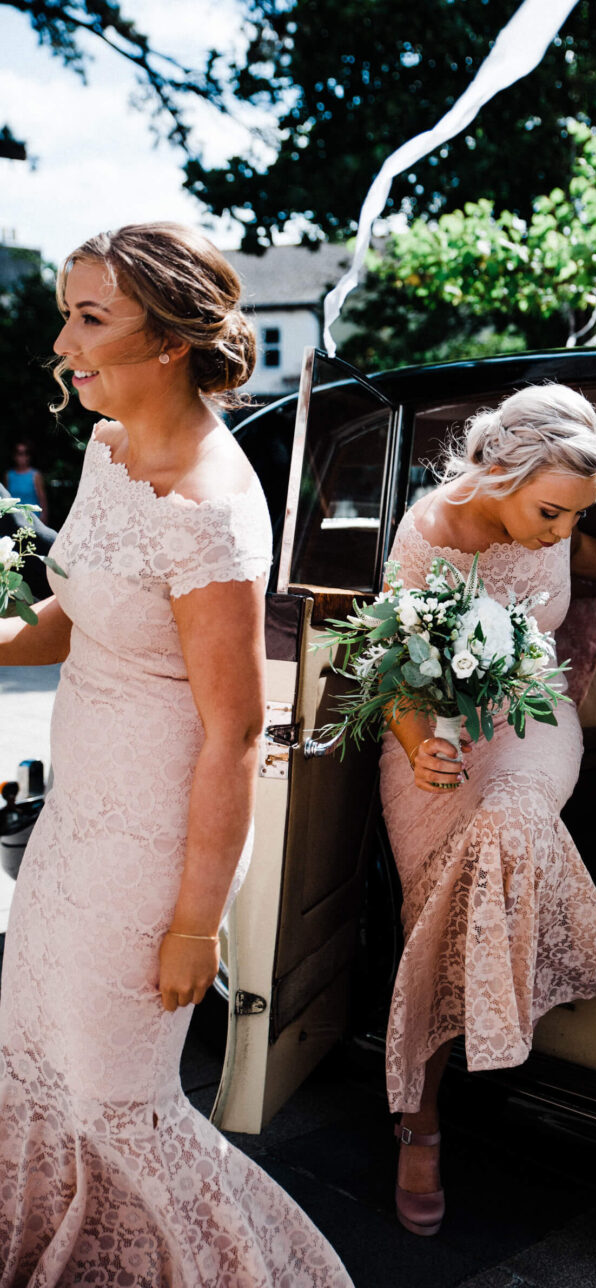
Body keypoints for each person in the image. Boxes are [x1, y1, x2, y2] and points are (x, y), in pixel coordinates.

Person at [0, 223, 352, 1286]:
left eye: (89, 316)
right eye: (67, 309)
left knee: (115, 1094)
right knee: (38, 1063)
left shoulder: (211, 513)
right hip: (74, 822)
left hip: (154, 844)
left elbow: (235, 730)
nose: (62, 339)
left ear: (168, 340)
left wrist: (197, 921)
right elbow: (81, 610)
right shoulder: (109, 448)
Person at [379, 384, 596, 1236]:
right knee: (431, 910)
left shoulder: (558, 521)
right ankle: (419, 1119)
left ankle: (565, 973)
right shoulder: (426, 534)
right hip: (432, 733)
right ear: (497, 471)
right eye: (551, 513)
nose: (561, 533)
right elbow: (392, 662)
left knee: (510, 822)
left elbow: (593, 558)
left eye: (576, 516)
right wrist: (422, 742)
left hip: (533, 715)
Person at [5, 441, 49, 523]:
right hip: (14, 520)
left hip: (33, 520)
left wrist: (43, 519)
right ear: (14, 456)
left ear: (29, 456)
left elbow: (42, 499)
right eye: (19, 453)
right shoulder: (9, 475)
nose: (23, 457)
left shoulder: (35, 475)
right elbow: (5, 499)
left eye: (26, 453)